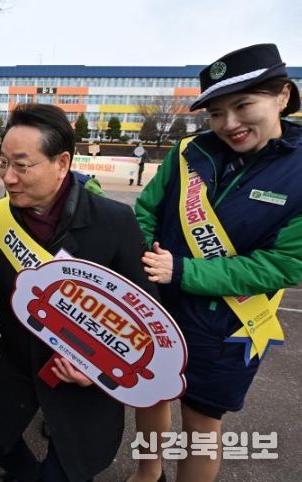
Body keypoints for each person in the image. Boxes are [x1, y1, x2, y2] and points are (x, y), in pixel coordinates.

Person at [0, 103, 156, 482]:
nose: (8, 177)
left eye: (22, 165)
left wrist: (99, 370)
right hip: (18, 360)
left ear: (62, 163)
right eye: (3, 162)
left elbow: (144, 315)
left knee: (67, 471)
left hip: (83, 376)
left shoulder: (113, 221)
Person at [131, 43, 302, 482]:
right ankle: (148, 474)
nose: (229, 124)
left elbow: (285, 264)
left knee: (201, 426)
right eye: (216, 113)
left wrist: (185, 271)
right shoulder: (188, 152)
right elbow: (147, 211)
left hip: (228, 324)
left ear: (283, 96)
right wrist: (144, 259)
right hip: (156, 306)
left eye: (243, 105)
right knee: (147, 396)